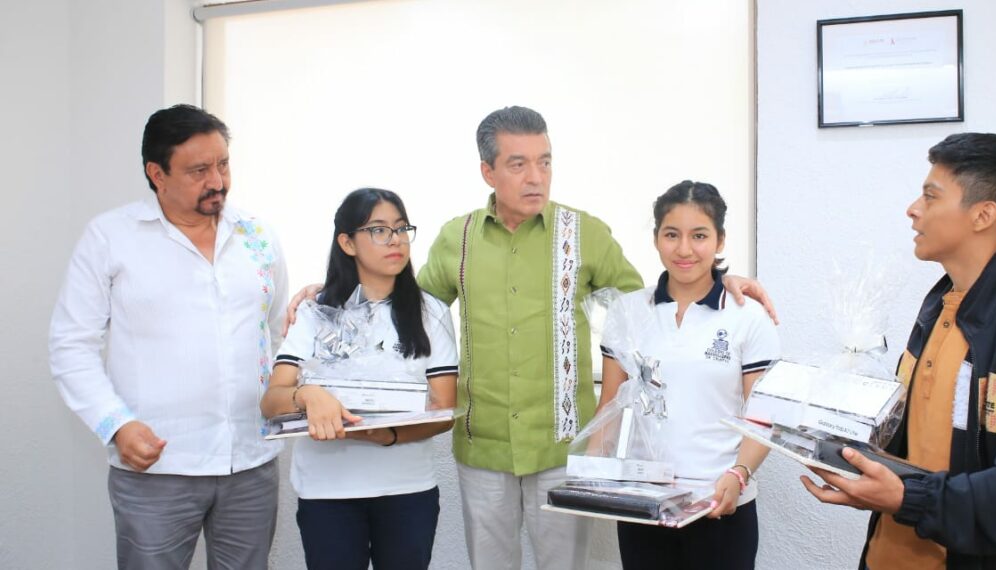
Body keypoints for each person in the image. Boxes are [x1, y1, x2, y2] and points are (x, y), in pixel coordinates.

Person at [288, 106, 777, 569]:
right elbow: (403, 303)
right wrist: (330, 287)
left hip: (561, 451)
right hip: (484, 448)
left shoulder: (586, 233)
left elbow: (653, 304)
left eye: (544, 161)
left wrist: (723, 281)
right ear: (487, 172)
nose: (536, 176)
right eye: (518, 164)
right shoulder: (456, 239)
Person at [801, 133, 996, 569]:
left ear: (983, 214)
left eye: (930, 195)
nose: (913, 209)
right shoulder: (940, 306)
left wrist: (907, 497)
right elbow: (918, 445)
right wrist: (850, 458)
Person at [48, 104, 286, 569]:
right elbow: (70, 345)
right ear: (156, 173)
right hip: (158, 466)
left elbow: (276, 334)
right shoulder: (111, 237)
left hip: (250, 462)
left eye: (223, 164)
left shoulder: (258, 236)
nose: (217, 181)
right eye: (199, 170)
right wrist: (115, 423)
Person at [261, 188, 458, 570]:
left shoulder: (430, 311)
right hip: (327, 491)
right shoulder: (315, 312)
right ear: (347, 242)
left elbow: (444, 411)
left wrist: (390, 434)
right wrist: (308, 395)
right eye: (379, 230)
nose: (396, 240)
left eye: (402, 229)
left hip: (407, 490)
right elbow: (271, 401)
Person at [596, 180, 780, 569]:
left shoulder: (747, 315)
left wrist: (739, 474)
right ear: (656, 239)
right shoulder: (629, 312)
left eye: (699, 236)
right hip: (643, 502)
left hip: (719, 503)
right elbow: (609, 406)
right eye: (672, 235)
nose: (684, 249)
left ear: (720, 240)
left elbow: (763, 415)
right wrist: (591, 474)